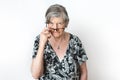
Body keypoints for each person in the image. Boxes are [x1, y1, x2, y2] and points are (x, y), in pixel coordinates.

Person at [31, 4, 88, 80]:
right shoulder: (39, 40)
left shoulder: (75, 41)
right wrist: (42, 44)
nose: (55, 28)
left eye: (59, 23)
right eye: (51, 23)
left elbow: (84, 72)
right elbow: (36, 75)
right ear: (47, 23)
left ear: (66, 23)